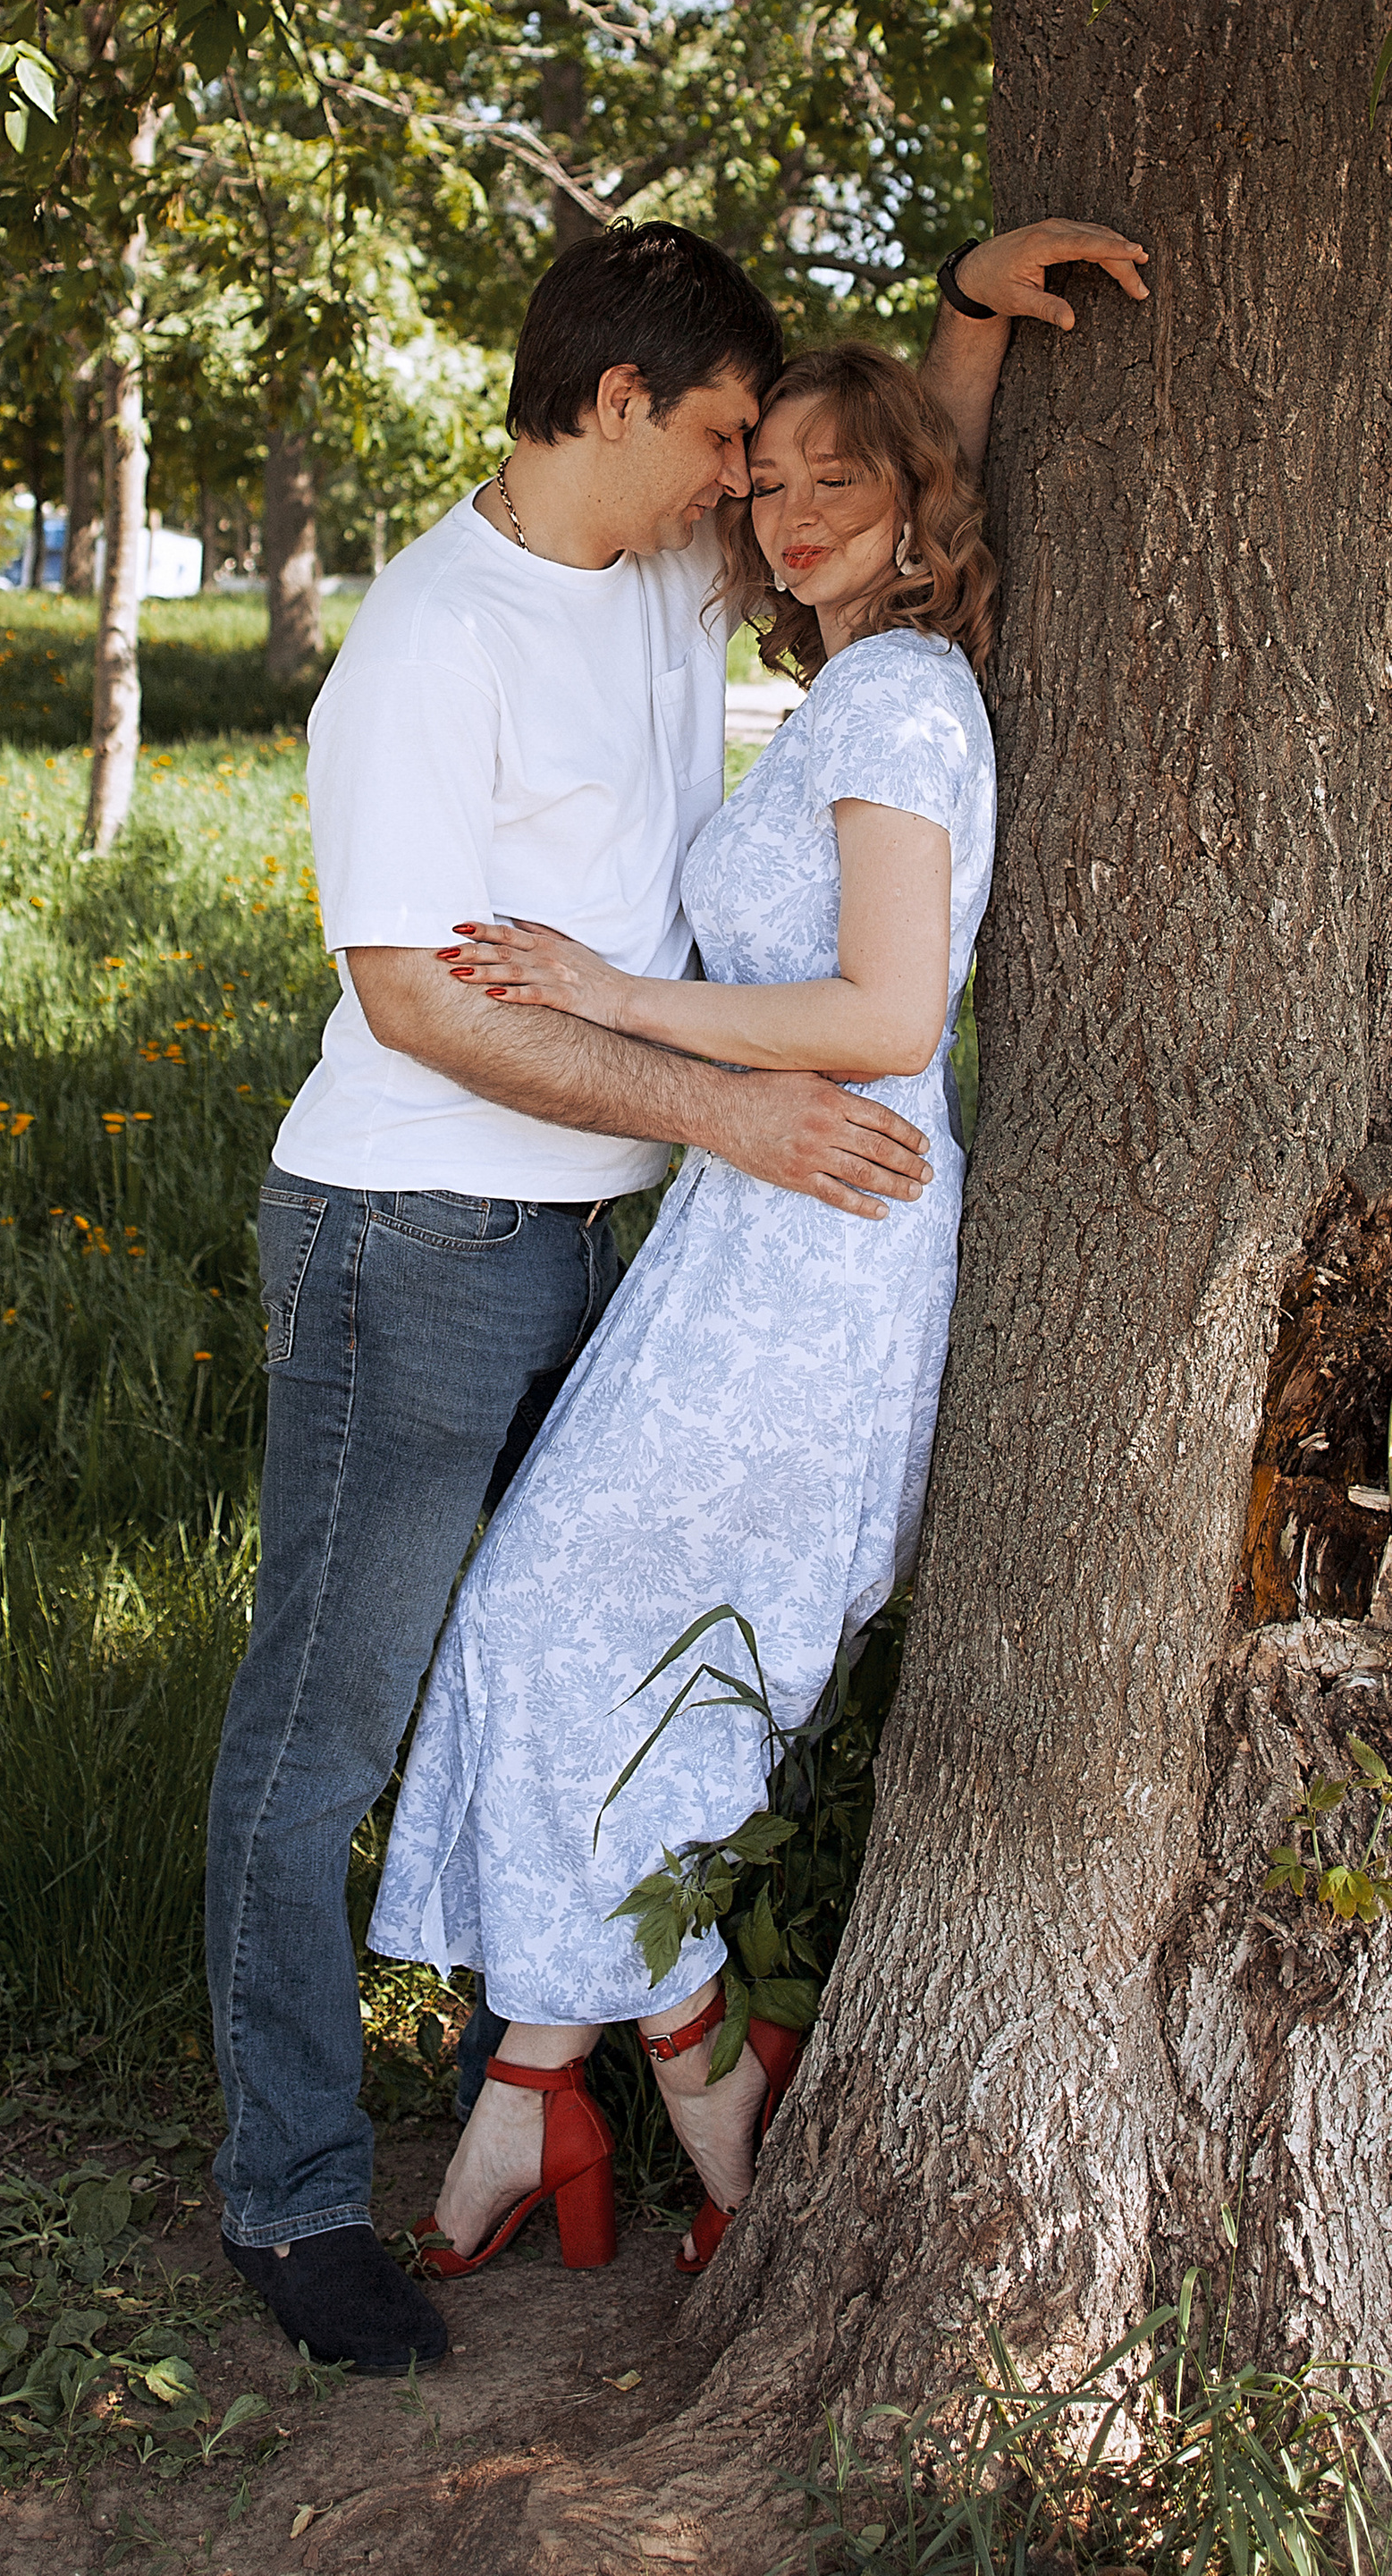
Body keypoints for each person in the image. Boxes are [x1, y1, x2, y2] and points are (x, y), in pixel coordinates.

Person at [205, 215, 1149, 2377]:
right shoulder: (428, 648)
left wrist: (964, 332)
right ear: (621, 408)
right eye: (723, 437)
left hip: (620, 1248)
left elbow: (876, 522)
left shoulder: (654, 567)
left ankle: (532, 2098)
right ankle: (287, 2197)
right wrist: (719, 1113)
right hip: (412, 1237)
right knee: (328, 1728)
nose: (748, 487)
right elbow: (414, 1005)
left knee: (573, 1664)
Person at [370, 342, 997, 2283]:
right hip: (747, 1229)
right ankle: (595, 2086)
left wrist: (599, 995)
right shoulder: (852, 675)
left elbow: (889, 1018)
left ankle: (658, 2094)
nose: (788, 512)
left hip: (820, 1240)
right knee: (602, 1652)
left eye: (835, 482)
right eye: (765, 483)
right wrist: (962, 313)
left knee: (573, 1626)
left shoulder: (895, 697)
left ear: (917, 500)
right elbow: (889, 473)